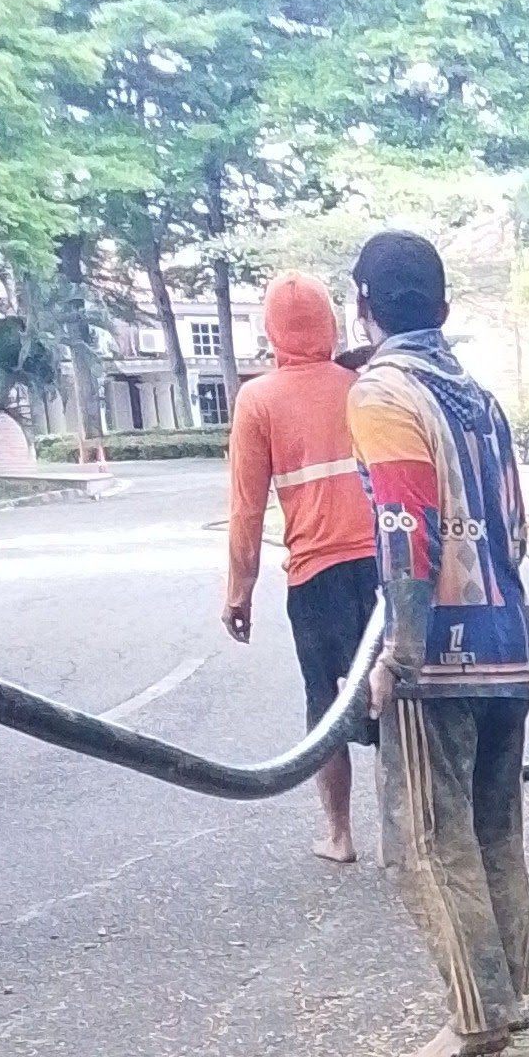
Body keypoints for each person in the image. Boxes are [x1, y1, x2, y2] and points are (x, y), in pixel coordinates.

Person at [344, 231, 529, 1057]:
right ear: (444, 306)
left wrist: (402, 650)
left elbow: (403, 528)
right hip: (510, 639)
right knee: (495, 826)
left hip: (442, 651)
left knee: (426, 836)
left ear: (364, 302)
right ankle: (514, 992)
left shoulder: (383, 392)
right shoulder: (481, 399)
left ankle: (474, 1016)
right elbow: (518, 530)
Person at [223, 273, 381, 866]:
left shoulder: (258, 401)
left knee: (327, 705)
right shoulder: (363, 385)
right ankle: (402, 829)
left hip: (315, 577)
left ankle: (339, 834)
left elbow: (245, 509)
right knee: (394, 698)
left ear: (271, 333)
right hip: (382, 569)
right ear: (330, 325)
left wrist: (239, 592)